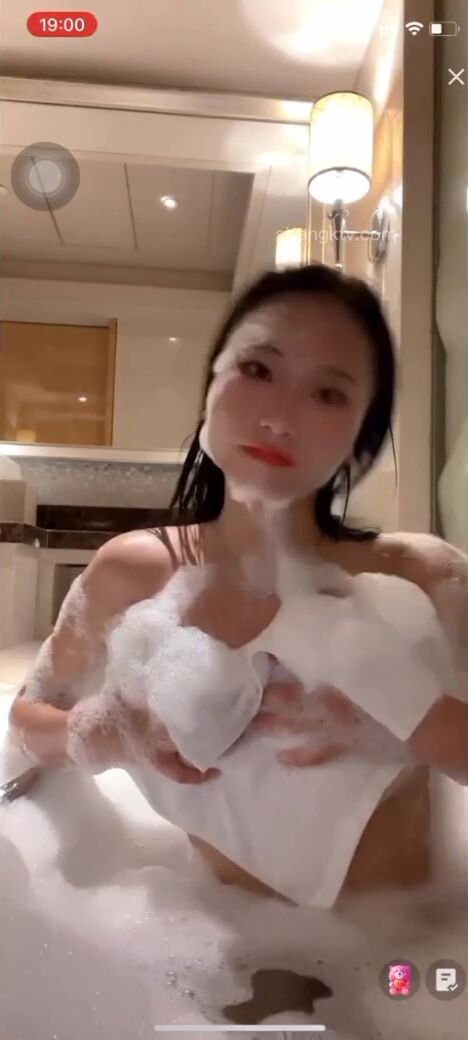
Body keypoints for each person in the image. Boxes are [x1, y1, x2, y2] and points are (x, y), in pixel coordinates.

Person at [8, 263, 468, 900]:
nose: (280, 417)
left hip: (411, 943)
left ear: (360, 438)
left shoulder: (419, 575)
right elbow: (24, 725)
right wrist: (102, 732)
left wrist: (401, 717)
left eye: (327, 393)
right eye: (258, 369)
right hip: (207, 941)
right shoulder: (134, 572)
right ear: (212, 387)